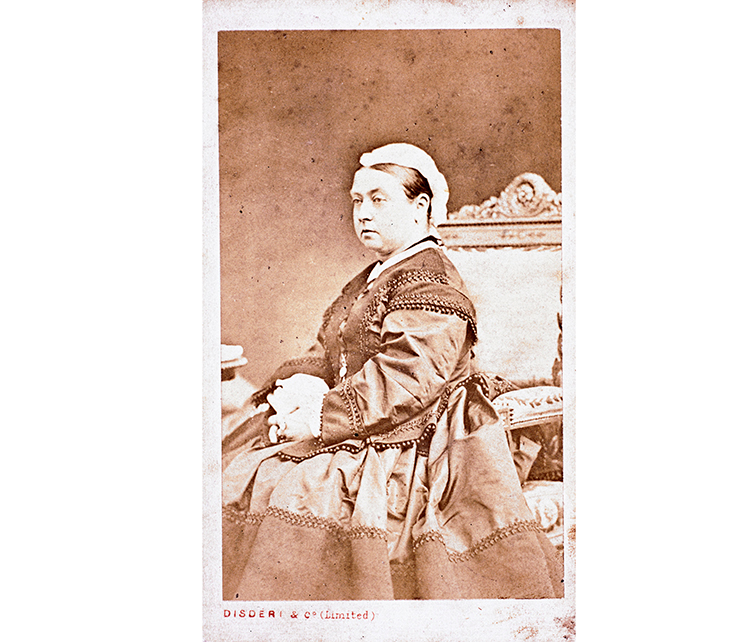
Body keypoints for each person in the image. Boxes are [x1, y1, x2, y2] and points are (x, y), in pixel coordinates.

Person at [221, 143, 563, 600]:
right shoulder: (377, 275)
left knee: (299, 488)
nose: (363, 212)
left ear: (420, 207)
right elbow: (332, 346)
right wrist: (300, 389)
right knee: (238, 465)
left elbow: (408, 376)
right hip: (365, 414)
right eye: (357, 200)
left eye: (379, 199)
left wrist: (319, 417)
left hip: (416, 429)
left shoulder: (431, 278)